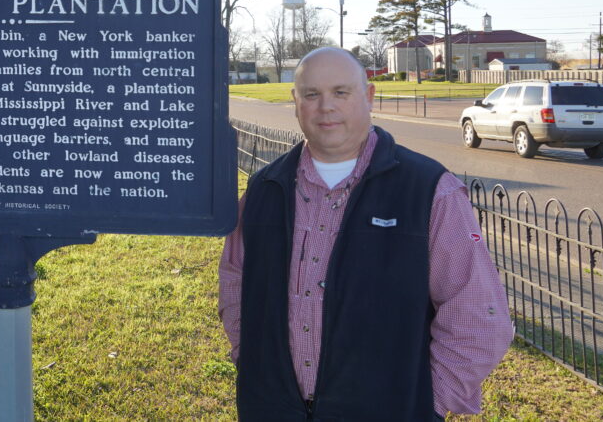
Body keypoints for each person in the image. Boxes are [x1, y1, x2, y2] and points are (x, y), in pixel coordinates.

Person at [219, 47, 512, 421]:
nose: (326, 106)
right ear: (295, 101)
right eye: (311, 94)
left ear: (368, 96)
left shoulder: (429, 192)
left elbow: (478, 317)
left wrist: (426, 403)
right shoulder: (264, 190)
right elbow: (235, 282)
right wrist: (252, 362)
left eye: (340, 92)